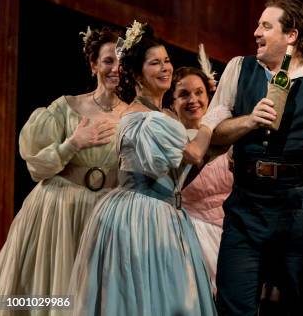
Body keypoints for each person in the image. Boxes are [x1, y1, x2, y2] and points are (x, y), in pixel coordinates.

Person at [203, 0, 303, 315]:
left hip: (302, 207)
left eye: (266, 26)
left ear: (291, 35)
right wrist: (248, 120)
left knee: (302, 305)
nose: (256, 33)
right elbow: (213, 133)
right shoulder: (239, 68)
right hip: (247, 203)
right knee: (234, 303)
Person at [69, 22, 217, 315]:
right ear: (137, 74)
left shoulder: (161, 114)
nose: (165, 68)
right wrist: (211, 125)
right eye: (154, 63)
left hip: (164, 210)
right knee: (141, 294)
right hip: (143, 214)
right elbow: (193, 153)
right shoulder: (145, 117)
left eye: (166, 61)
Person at [0, 27, 123, 302]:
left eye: (122, 60)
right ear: (94, 66)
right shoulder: (66, 107)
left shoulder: (134, 114)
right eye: (108, 61)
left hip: (104, 217)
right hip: (59, 212)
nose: (116, 68)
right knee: (57, 294)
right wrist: (73, 143)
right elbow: (36, 168)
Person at [169, 66, 233, 291]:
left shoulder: (228, 136)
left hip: (232, 236)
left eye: (199, 93)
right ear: (172, 103)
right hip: (191, 239)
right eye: (184, 95)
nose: (193, 100)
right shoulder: (172, 142)